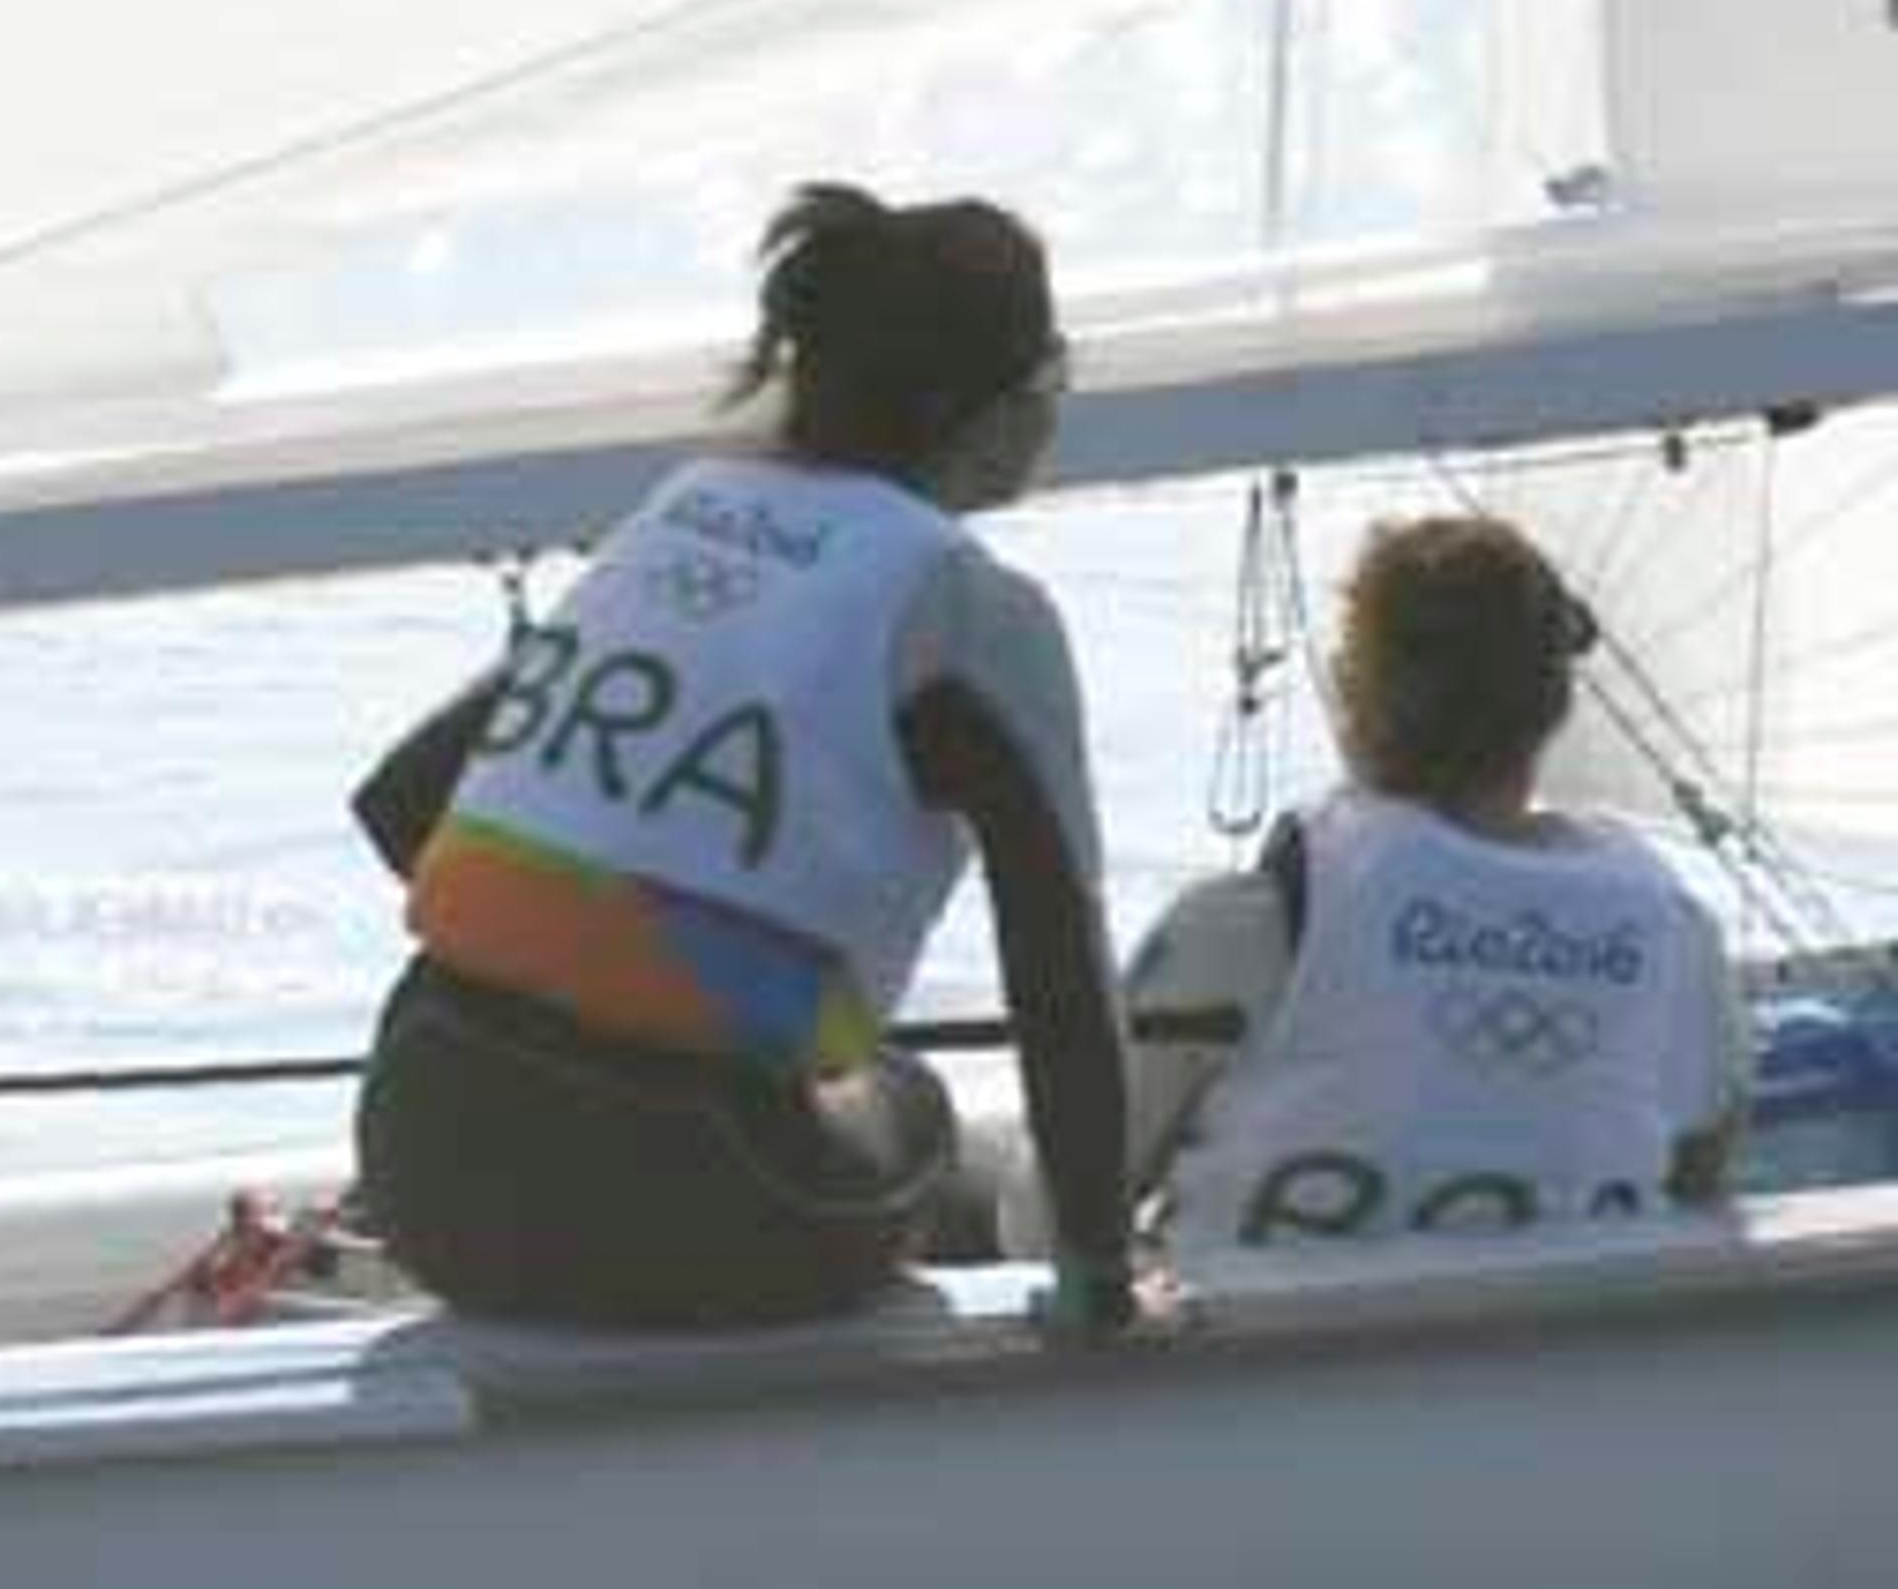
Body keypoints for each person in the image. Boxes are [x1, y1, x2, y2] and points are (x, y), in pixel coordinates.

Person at [354, 186, 1134, 1335]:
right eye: (1056, 375)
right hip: (699, 1190)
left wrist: (602, 945)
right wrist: (1103, 1284)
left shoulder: (683, 513)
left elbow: (402, 799)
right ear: (994, 406)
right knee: (914, 1113)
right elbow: (1060, 975)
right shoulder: (968, 607)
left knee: (791, 1074)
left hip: (417, 1144)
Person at [1124, 516, 1746, 1257]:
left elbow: (1057, 1208)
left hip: (1257, 1365)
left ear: (1352, 692)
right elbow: (1699, 1180)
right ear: (1554, 704)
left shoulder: (1247, 924)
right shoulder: (1676, 937)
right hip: (1563, 1362)